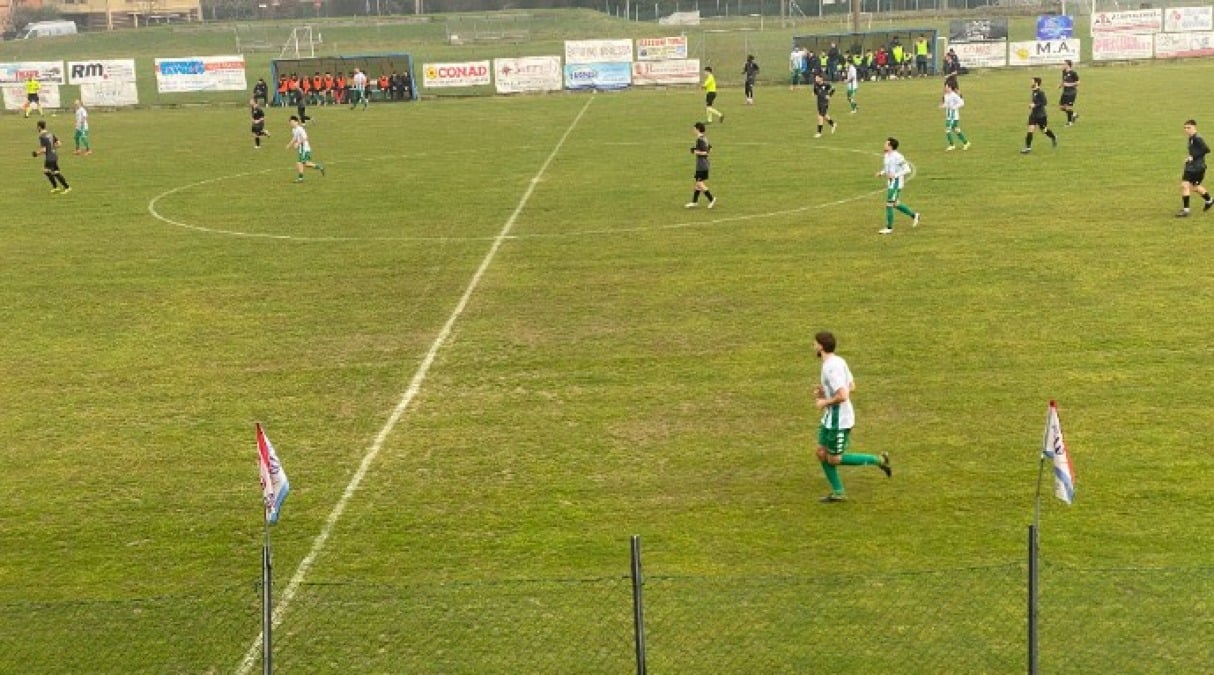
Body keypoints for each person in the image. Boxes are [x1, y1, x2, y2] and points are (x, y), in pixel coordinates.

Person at [812, 331, 891, 503]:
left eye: (815, 343)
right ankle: (838, 492)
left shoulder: (831, 367)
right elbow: (851, 386)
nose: (813, 346)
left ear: (821, 346)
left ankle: (879, 460)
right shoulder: (838, 361)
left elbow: (843, 395)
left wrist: (824, 402)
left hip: (839, 421)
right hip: (830, 418)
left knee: (834, 459)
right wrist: (825, 391)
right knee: (820, 452)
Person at [876, 137, 920, 235]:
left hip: (896, 183)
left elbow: (907, 169)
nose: (884, 145)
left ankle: (889, 228)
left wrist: (895, 175)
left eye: (886, 144)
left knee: (889, 204)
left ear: (891, 146)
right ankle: (914, 215)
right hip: (890, 182)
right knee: (895, 203)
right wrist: (882, 172)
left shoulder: (898, 157)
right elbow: (889, 167)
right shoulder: (886, 155)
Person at [1177, 119, 1214, 217]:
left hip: (1197, 167)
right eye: (1185, 128)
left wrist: (1193, 157)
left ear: (1194, 127)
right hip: (1192, 166)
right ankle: (1209, 200)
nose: (1186, 129)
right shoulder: (1191, 137)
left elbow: (1207, 149)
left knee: (1185, 185)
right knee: (1195, 187)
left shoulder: (1197, 138)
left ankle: (1186, 210)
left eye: (1189, 127)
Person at [1021, 77, 1057, 154]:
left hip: (1041, 115)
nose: (1031, 83)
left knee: (1044, 130)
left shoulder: (1041, 92)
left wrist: (1035, 105)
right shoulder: (1033, 91)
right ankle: (1028, 148)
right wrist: (1032, 105)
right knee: (1030, 130)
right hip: (1033, 115)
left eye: (1032, 81)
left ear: (1036, 83)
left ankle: (1053, 137)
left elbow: (1044, 102)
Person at [684, 121, 716, 209]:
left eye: (694, 128)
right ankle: (694, 202)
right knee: (697, 184)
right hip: (703, 164)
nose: (693, 130)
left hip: (702, 165)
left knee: (699, 183)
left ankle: (711, 199)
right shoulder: (704, 138)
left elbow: (705, 152)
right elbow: (710, 149)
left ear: (697, 129)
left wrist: (694, 151)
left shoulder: (699, 140)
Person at [33, 120, 70, 194]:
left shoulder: (42, 136)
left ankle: (67, 187)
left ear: (39, 127)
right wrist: (52, 148)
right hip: (54, 155)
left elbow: (44, 149)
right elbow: (59, 144)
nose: (37, 128)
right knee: (51, 171)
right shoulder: (50, 134)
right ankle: (57, 187)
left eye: (37, 127)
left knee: (51, 172)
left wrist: (37, 153)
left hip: (50, 157)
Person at [287, 115, 325, 182]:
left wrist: (298, 143)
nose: (291, 124)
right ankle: (319, 167)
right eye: (290, 122)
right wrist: (289, 144)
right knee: (306, 164)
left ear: (296, 122)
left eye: (292, 122)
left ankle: (300, 178)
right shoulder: (294, 130)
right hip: (301, 149)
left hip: (304, 148)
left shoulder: (300, 129)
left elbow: (305, 138)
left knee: (299, 163)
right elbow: (295, 138)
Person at [941, 80, 970, 151]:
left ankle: (952, 145)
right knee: (956, 130)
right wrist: (943, 106)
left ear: (950, 88)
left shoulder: (954, 95)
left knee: (947, 129)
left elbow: (962, 103)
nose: (945, 88)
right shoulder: (946, 95)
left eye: (947, 87)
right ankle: (966, 143)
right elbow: (947, 104)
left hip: (953, 117)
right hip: (948, 116)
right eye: (945, 87)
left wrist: (954, 107)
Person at [811, 73, 836, 138]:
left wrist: (829, 95)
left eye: (817, 78)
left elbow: (833, 88)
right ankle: (833, 124)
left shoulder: (826, 84)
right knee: (825, 115)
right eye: (815, 78)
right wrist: (813, 93)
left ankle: (819, 133)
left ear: (821, 78)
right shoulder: (815, 85)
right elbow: (815, 92)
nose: (816, 79)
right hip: (819, 102)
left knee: (820, 116)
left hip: (825, 102)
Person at [1059, 59, 1080, 126]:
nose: (1063, 65)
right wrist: (1061, 85)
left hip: (1071, 92)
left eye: (1064, 64)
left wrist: (1069, 84)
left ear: (1068, 65)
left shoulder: (1073, 73)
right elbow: (1064, 80)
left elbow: (1078, 82)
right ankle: (1074, 114)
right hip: (1065, 92)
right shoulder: (1064, 71)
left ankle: (1069, 122)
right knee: (1062, 107)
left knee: (1068, 108)